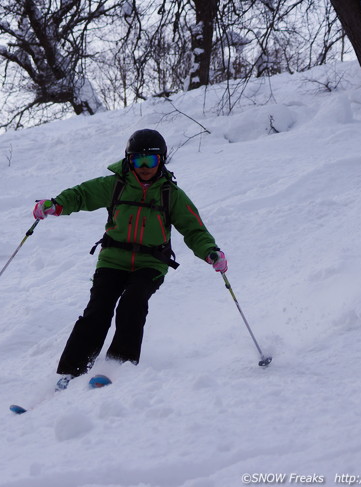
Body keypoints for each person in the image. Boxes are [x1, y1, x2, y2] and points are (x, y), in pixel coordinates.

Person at [32, 128, 227, 390]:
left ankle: (118, 364)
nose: (144, 167)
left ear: (162, 161)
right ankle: (72, 370)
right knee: (98, 309)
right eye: (138, 161)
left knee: (132, 304)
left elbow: (194, 229)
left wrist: (210, 251)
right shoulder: (116, 185)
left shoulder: (171, 195)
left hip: (151, 263)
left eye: (151, 161)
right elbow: (82, 195)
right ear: (128, 160)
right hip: (113, 259)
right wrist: (56, 204)